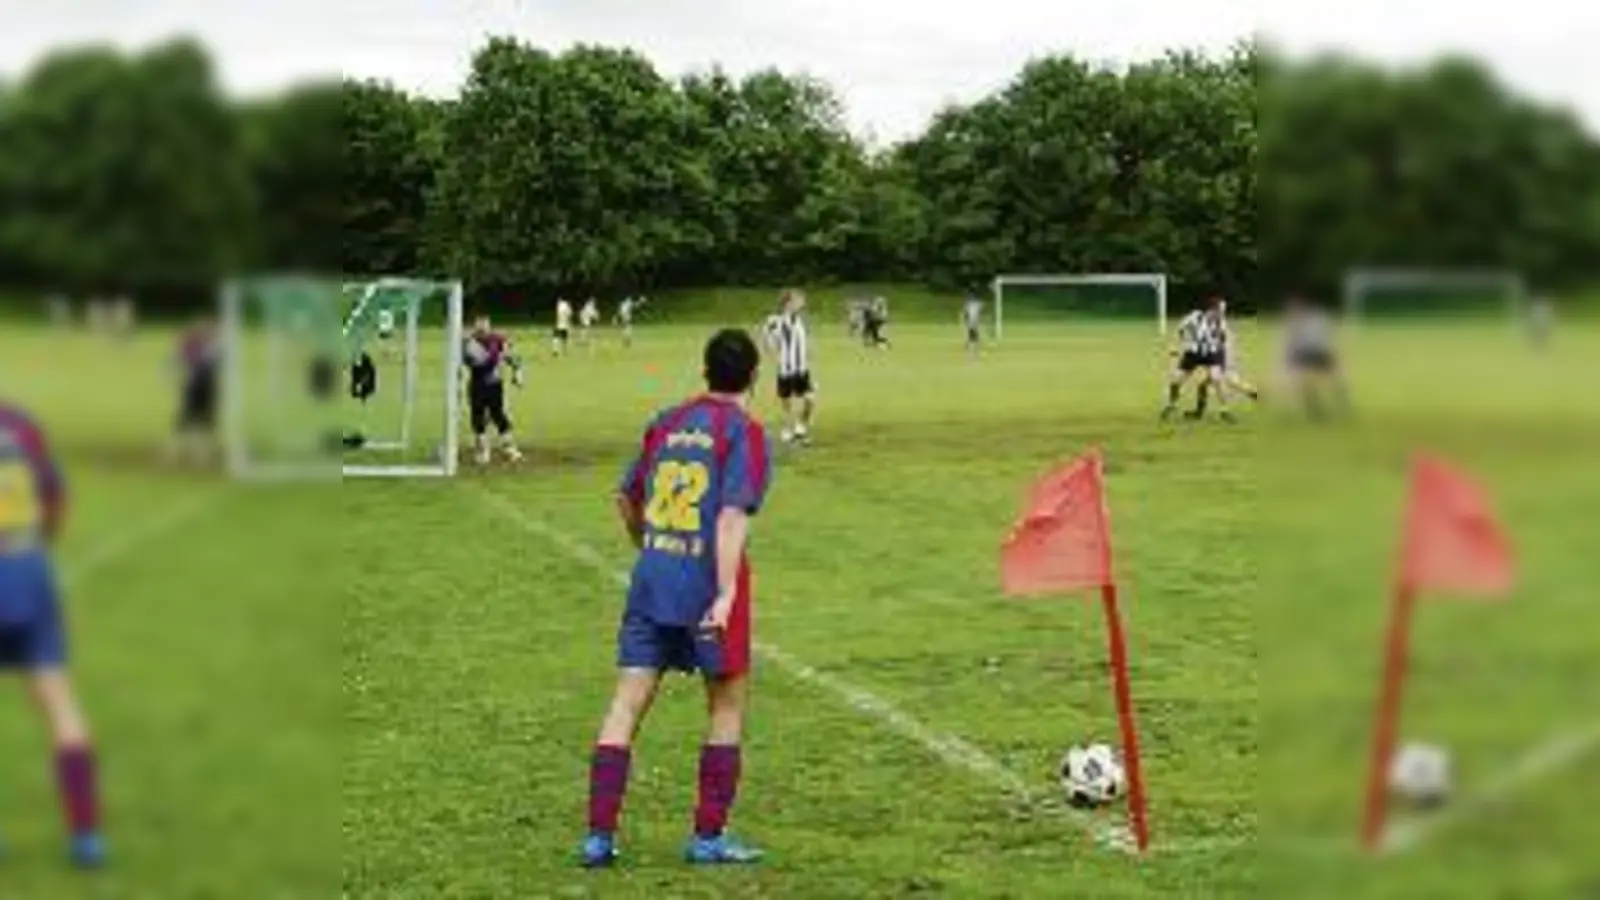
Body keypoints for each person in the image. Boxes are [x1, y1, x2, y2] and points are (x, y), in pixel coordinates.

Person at [579, 328, 773, 868]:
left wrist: (649, 544)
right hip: (707, 586)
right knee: (726, 705)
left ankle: (598, 838)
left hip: (653, 579)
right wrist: (726, 593)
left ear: (705, 370)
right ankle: (707, 838)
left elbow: (625, 497)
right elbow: (731, 516)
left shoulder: (667, 421)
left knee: (626, 704)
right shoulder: (744, 432)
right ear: (753, 376)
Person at [0, 401, 106, 868]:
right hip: (29, 567)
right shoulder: (21, 424)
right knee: (60, 702)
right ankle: (86, 836)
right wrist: (37, 559)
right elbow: (56, 499)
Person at [463, 314, 524, 464]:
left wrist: (517, 374)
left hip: (494, 384)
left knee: (498, 415)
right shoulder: (469, 343)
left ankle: (509, 447)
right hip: (477, 384)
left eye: (484, 326)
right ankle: (483, 449)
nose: (482, 329)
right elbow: (466, 361)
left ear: (489, 326)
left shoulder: (497, 340)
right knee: (477, 416)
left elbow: (513, 358)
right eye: (479, 326)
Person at [1160, 297, 1231, 423]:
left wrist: (1221, 360)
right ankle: (1172, 405)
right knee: (1176, 380)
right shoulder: (1195, 316)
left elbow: (1222, 341)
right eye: (1221, 310)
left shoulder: (1221, 323)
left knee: (1216, 378)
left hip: (1210, 354)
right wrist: (1176, 345)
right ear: (1212, 310)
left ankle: (1225, 411)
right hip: (1193, 354)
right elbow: (1180, 329)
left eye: (1223, 311)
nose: (1222, 314)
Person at [1282, 295, 1349, 420]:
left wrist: (1288, 361)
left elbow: (1292, 344)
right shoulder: (1313, 318)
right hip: (1310, 354)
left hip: (1315, 353)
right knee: (1306, 382)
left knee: (1328, 379)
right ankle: (1319, 409)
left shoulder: (1308, 320)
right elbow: (1291, 344)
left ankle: (1334, 405)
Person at [763, 290, 815, 444]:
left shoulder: (801, 320)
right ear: (788, 303)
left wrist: (808, 351)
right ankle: (787, 429)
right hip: (786, 368)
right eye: (798, 300)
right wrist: (775, 356)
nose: (801, 303)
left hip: (802, 368)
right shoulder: (775, 321)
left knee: (810, 399)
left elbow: (805, 338)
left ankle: (800, 425)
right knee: (787, 402)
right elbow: (767, 339)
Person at [169, 314, 222, 465]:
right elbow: (179, 358)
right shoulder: (196, 345)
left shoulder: (209, 346)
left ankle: (199, 452)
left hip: (205, 386)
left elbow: (179, 358)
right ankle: (182, 450)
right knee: (189, 419)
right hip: (196, 385)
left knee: (201, 420)